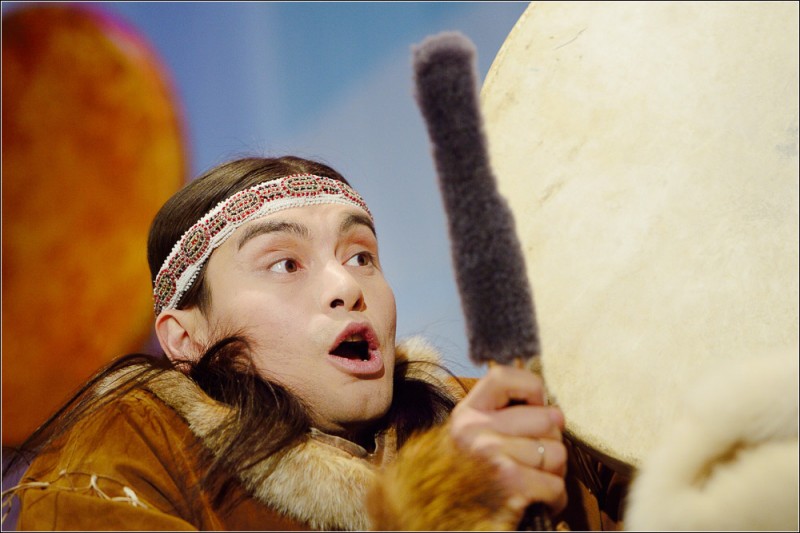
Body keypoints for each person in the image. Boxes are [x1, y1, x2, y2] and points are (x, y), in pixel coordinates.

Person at [3, 155, 568, 530]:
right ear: (186, 338)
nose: (346, 287)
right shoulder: (126, 453)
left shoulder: (497, 420)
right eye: (285, 264)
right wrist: (430, 506)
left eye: (361, 257)